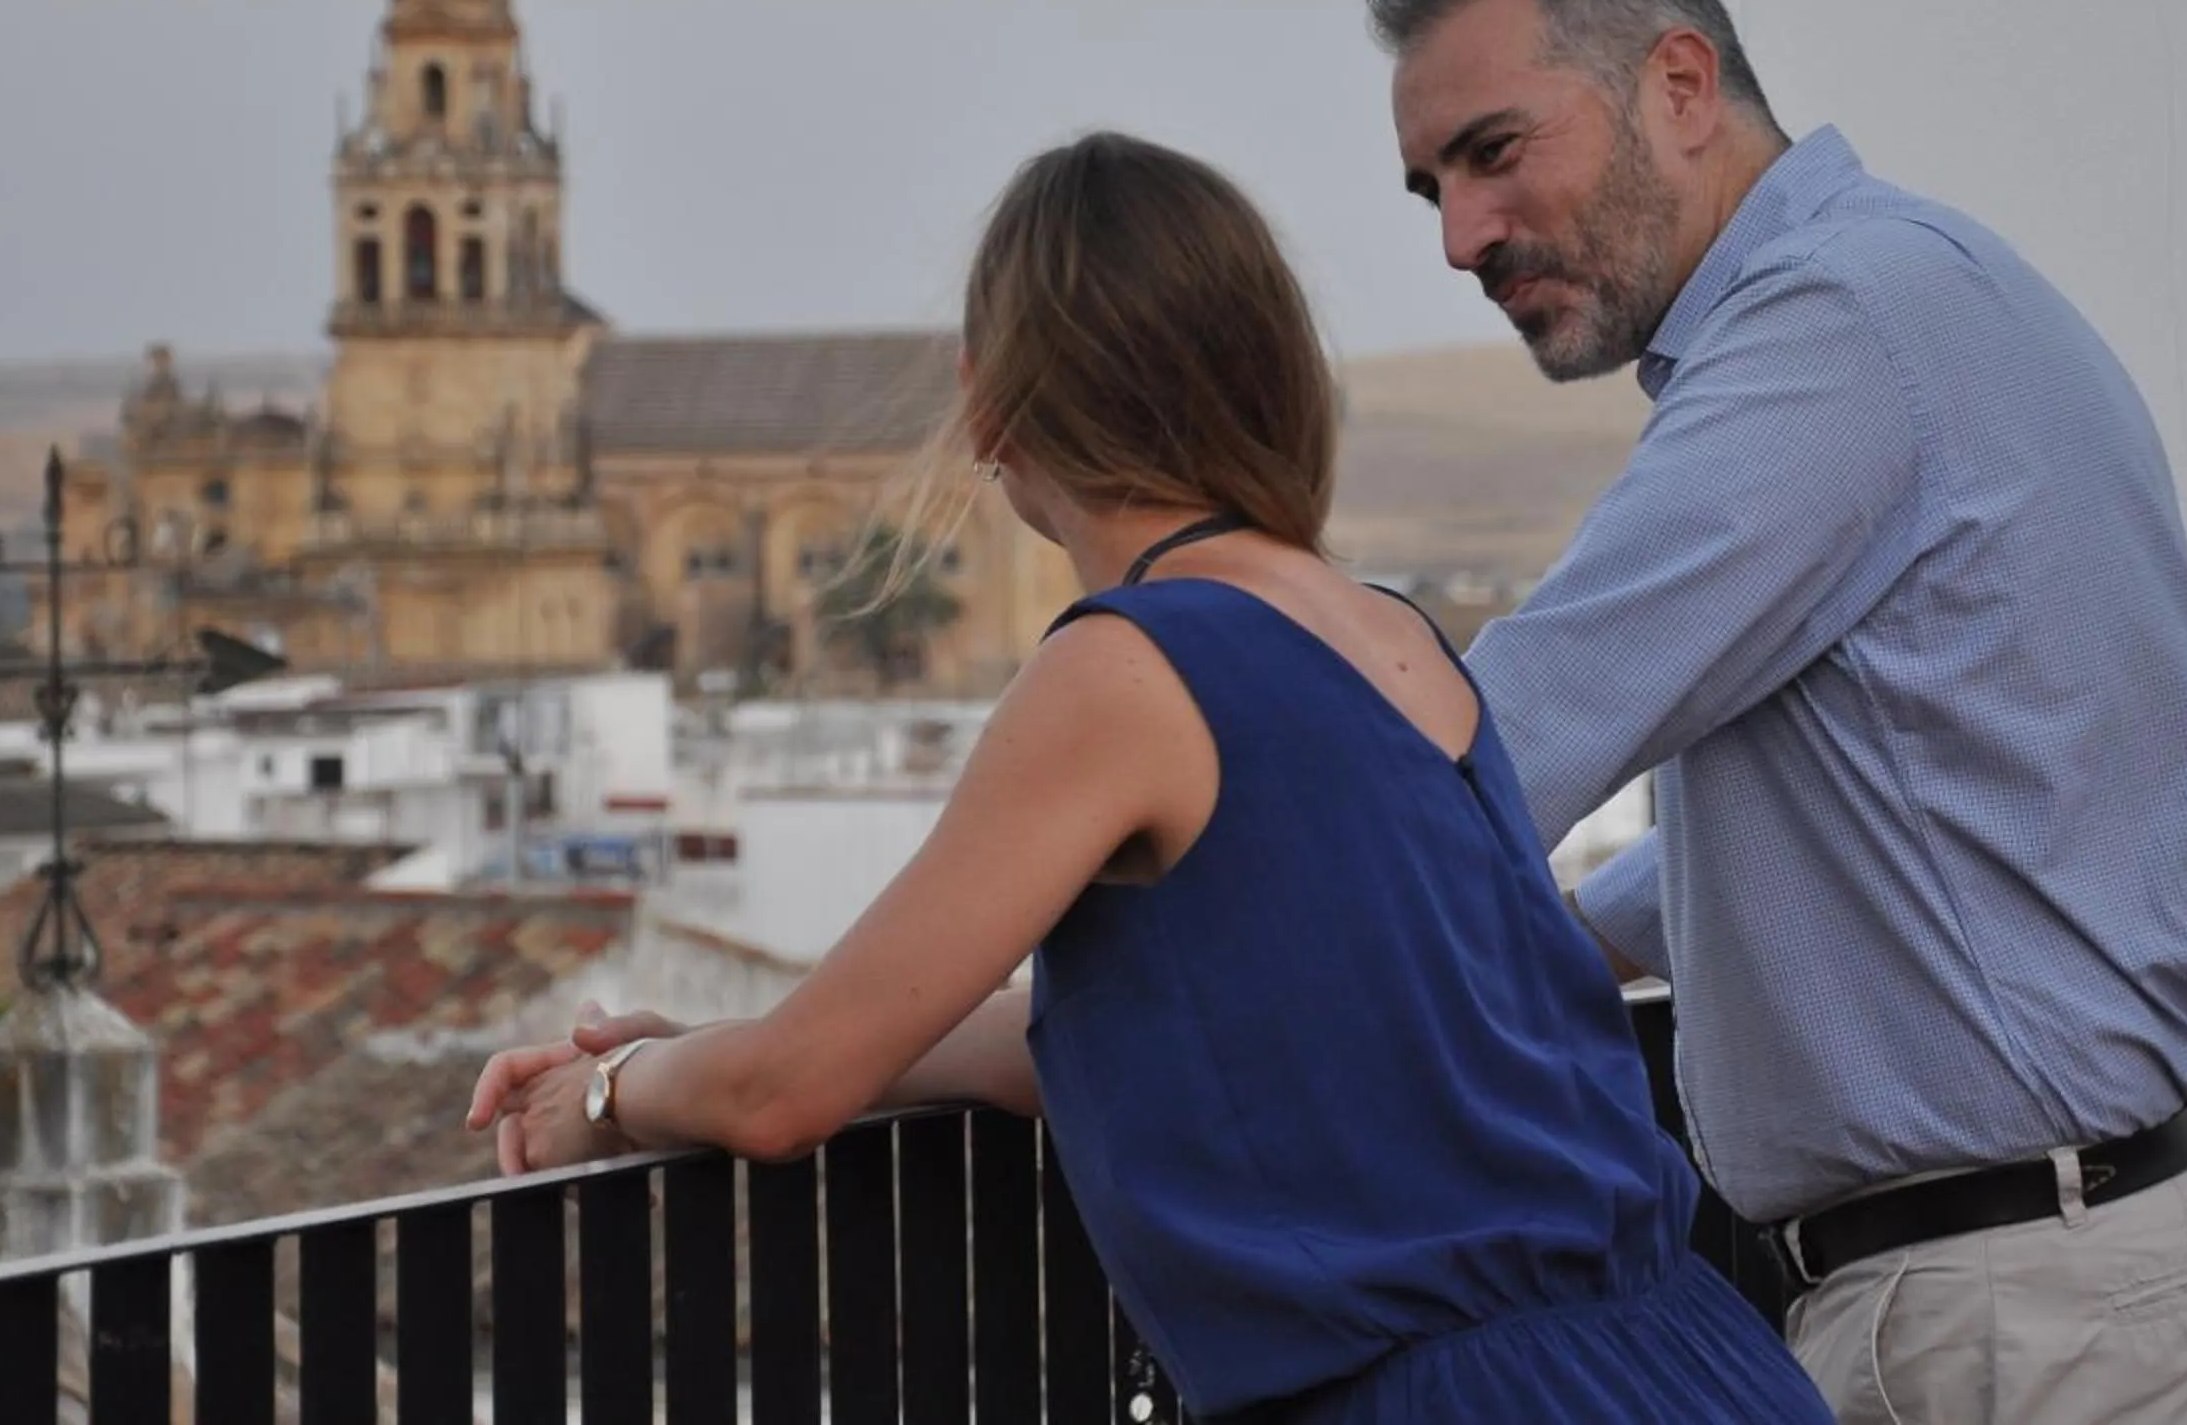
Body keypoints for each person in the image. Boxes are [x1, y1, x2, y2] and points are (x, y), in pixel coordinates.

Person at [467, 132, 1829, 1424]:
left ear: (989, 403)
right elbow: (1143, 1026)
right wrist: (718, 1049)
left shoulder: (1124, 670)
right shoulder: (1390, 634)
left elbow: (784, 1097)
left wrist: (608, 1095)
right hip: (1688, 1354)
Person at [1368, 0, 2187, 1423]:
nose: (1460, 237)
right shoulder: (1916, 285)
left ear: (1680, 84)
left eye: (1494, 151)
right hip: (2089, 1275)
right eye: (1432, 187)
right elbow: (1928, 772)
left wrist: (1112, 957)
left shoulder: (1832, 331)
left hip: (2026, 1309)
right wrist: (1598, 931)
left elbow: (1497, 738)